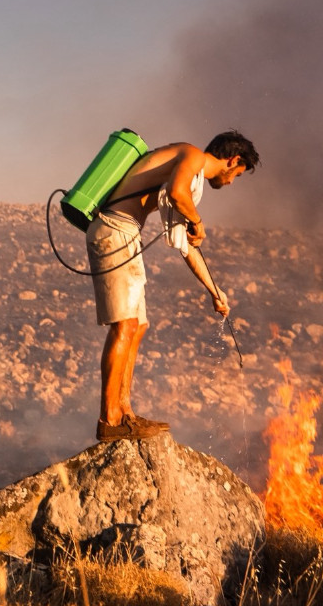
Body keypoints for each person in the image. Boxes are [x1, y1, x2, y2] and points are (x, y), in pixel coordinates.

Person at [86, 130, 260, 442]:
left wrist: (214, 292)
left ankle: (125, 413)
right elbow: (179, 196)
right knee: (124, 326)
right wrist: (198, 221)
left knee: (138, 326)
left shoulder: (188, 179)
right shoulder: (191, 155)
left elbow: (187, 246)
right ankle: (108, 419)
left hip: (127, 236)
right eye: (238, 174)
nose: (232, 182)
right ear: (233, 161)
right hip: (115, 231)